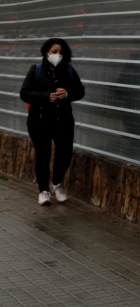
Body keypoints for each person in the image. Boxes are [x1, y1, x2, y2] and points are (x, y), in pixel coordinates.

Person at [19, 38, 85, 206]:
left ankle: (56, 184)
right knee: (43, 156)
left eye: (61, 52)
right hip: (39, 122)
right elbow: (25, 93)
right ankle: (44, 191)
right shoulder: (36, 70)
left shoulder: (69, 70)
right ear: (46, 52)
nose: (58, 55)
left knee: (64, 155)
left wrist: (67, 93)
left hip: (63, 121)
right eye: (54, 51)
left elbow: (80, 91)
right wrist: (46, 96)